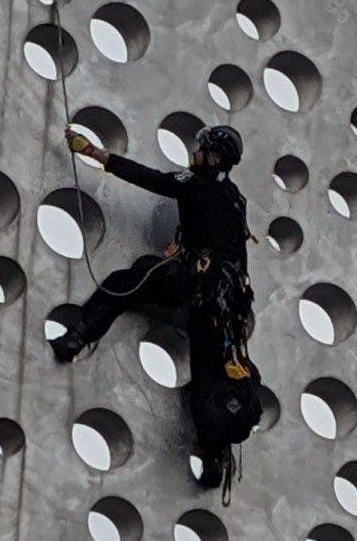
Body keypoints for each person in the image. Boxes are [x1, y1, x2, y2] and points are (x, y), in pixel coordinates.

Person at [51, 125, 262, 495]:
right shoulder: (235, 198)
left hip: (194, 284)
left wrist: (95, 153)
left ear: (213, 157)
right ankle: (214, 459)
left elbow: (147, 178)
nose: (196, 153)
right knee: (209, 378)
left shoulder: (194, 183)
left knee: (125, 283)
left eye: (202, 149)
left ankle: (77, 337)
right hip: (225, 307)